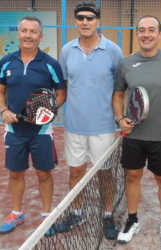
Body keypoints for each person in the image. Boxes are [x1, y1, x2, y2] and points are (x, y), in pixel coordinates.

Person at [112, 15, 161, 250]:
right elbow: (117, 96)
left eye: (151, 30)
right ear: (137, 34)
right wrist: (120, 119)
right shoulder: (125, 64)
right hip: (133, 136)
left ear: (160, 34)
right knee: (132, 178)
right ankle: (132, 221)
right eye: (142, 30)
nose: (146, 34)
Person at [55, 1, 124, 240]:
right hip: (74, 126)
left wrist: (120, 117)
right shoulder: (66, 51)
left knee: (105, 173)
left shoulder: (113, 50)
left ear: (98, 21)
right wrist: (47, 111)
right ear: (75, 21)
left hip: (103, 127)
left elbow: (120, 89)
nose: (85, 22)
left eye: (90, 18)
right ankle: (77, 212)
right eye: (80, 17)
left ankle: (107, 214)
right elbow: (63, 88)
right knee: (76, 171)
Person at [0, 15, 66, 236]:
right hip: (14, 131)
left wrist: (47, 112)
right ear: (18, 34)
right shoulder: (6, 62)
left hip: (42, 132)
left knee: (44, 174)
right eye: (24, 31)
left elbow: (61, 94)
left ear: (40, 36)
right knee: (16, 174)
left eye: (33, 32)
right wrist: (4, 111)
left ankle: (46, 216)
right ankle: (17, 213)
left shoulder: (51, 64)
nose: (28, 35)